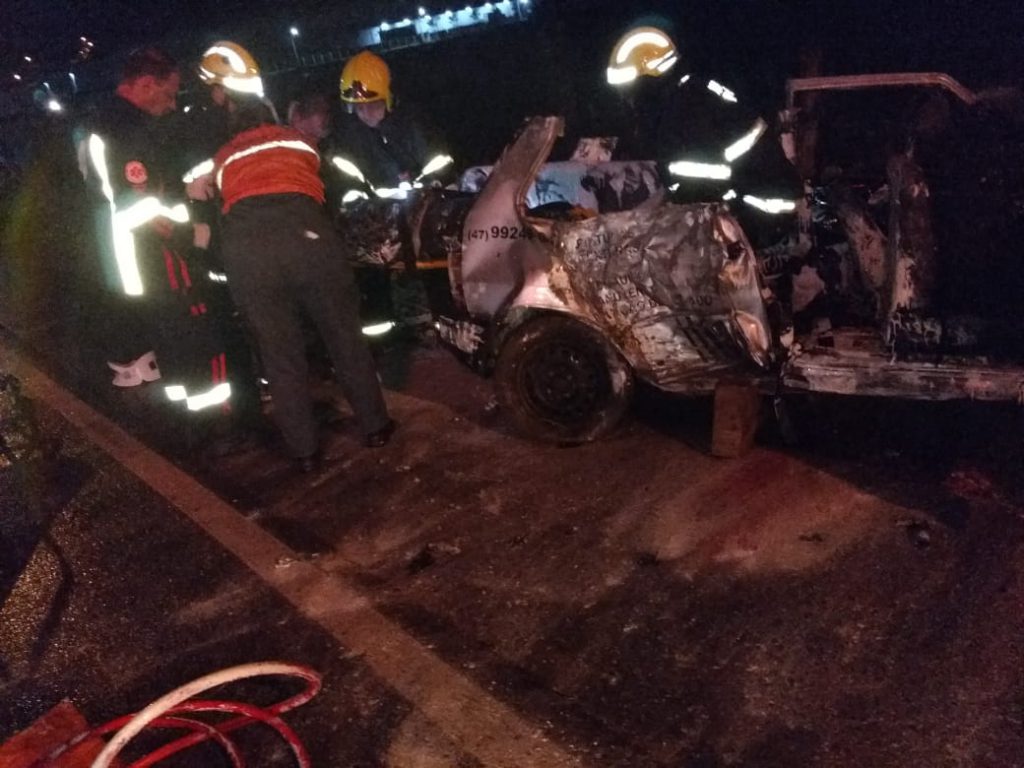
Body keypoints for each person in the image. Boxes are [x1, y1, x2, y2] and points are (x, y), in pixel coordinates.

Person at [208, 96, 394, 472]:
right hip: (308, 241)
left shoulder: (223, 157)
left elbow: (219, 205)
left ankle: (304, 452)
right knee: (344, 337)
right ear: (271, 117)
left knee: (280, 355)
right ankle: (375, 427)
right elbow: (326, 188)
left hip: (250, 255)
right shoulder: (296, 141)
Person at [77, 47, 233, 426]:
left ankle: (192, 423)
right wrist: (193, 223)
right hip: (156, 254)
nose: (172, 103)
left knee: (171, 342)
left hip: (132, 258)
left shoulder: (100, 124)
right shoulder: (126, 132)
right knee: (194, 335)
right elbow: (139, 205)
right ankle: (218, 425)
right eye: (169, 93)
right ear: (146, 85)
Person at [603, 24, 802, 235]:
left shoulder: (688, 108)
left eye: (631, 89)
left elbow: (701, 187)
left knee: (683, 247)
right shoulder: (690, 94)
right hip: (755, 197)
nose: (629, 100)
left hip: (763, 209)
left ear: (650, 80)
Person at [327, 50, 449, 335]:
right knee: (376, 281)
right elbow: (346, 180)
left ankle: (438, 324)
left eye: (372, 105)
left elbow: (440, 159)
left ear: (388, 99)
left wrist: (423, 181)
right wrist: (360, 201)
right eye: (358, 108)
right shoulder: (349, 138)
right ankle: (388, 336)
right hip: (377, 224)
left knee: (434, 270)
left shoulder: (412, 124)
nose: (365, 113)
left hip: (420, 213)